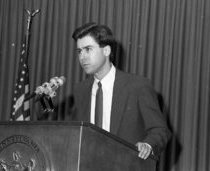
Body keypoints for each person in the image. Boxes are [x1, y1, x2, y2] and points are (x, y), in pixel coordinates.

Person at [71, 22, 171, 160]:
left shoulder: (138, 86)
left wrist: (148, 145)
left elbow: (160, 130)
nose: (82, 57)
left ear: (106, 51)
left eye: (88, 49)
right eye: (79, 51)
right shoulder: (80, 90)